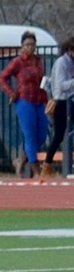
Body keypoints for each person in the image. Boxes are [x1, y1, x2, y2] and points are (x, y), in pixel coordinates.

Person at [0, 30, 50, 177]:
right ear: (22, 47)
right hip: (24, 100)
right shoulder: (18, 62)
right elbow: (2, 78)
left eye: (32, 44)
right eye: (27, 44)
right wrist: (12, 93)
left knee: (42, 134)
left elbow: (41, 81)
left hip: (39, 100)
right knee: (30, 135)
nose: (30, 47)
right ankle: (35, 169)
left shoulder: (40, 61)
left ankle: (21, 159)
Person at [49, 37, 74, 176]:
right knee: (59, 135)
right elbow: (61, 86)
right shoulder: (62, 63)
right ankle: (47, 164)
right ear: (70, 50)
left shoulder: (72, 62)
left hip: (71, 101)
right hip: (61, 101)